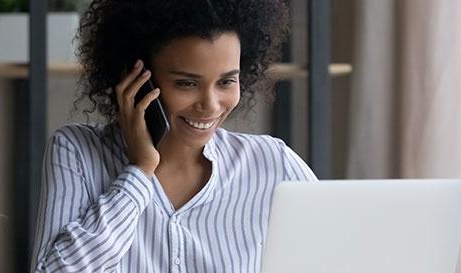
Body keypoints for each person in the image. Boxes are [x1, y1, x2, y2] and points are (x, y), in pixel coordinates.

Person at [30, 0, 317, 272]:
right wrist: (140, 171)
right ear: (138, 80)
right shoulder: (77, 152)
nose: (211, 105)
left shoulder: (273, 164)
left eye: (227, 81)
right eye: (187, 83)